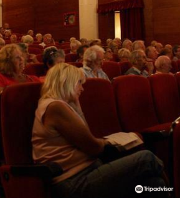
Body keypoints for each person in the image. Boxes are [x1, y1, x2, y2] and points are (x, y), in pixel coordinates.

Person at [32, 63, 169, 198]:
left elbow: (87, 137)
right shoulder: (55, 107)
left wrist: (76, 103)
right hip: (73, 181)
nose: (82, 88)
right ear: (67, 82)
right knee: (147, 158)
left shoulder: (61, 104)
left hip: (87, 171)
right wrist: (107, 142)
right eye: (79, 83)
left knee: (155, 185)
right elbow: (94, 147)